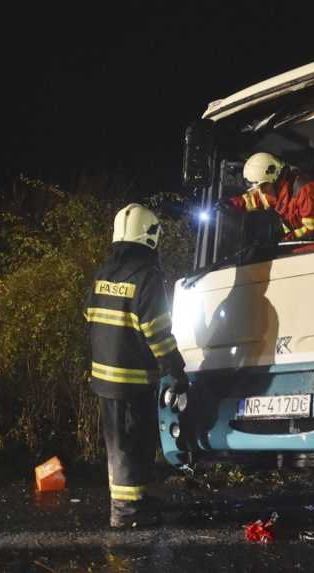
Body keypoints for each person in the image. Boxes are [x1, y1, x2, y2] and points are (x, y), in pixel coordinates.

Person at [85, 203, 189, 528]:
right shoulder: (146, 278)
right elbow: (158, 333)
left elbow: (88, 318)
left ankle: (137, 498)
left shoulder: (103, 272)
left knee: (128, 443)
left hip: (104, 377)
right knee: (129, 446)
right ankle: (126, 512)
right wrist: (176, 369)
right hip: (132, 379)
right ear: (150, 235)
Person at [218, 152, 314, 241]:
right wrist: (231, 204)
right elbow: (254, 199)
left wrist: (285, 239)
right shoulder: (274, 190)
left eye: (262, 187)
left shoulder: (306, 191)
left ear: (274, 178)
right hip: (298, 245)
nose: (261, 192)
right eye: (259, 188)